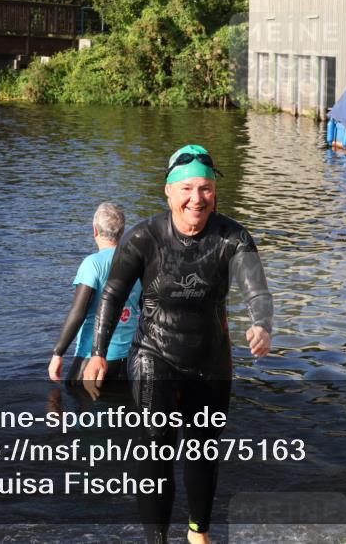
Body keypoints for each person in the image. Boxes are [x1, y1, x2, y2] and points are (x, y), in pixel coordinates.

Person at [84, 144, 273, 544]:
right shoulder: (143, 237)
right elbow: (113, 294)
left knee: (204, 449)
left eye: (205, 188)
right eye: (187, 188)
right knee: (155, 445)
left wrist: (261, 324)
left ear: (214, 192)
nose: (196, 199)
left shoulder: (233, 237)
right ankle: (158, 539)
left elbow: (256, 289)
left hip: (211, 356)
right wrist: (98, 352)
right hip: (154, 351)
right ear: (168, 191)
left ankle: (197, 532)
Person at [48, 202, 142, 389]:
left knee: (77, 407)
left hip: (93, 359)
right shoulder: (137, 262)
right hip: (130, 360)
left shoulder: (92, 264)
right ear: (122, 232)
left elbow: (78, 312)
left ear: (95, 231)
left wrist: (58, 354)